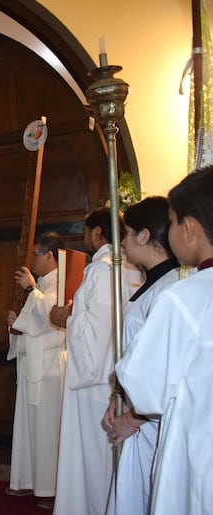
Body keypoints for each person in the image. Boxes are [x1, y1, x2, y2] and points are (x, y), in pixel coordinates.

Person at [116, 167, 213, 514]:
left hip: (197, 448)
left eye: (171, 222)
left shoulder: (185, 297)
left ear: (189, 228)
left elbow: (146, 389)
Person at [48, 208, 135, 515]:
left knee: (94, 455)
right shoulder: (126, 268)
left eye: (86, 232)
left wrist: (66, 316)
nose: (85, 238)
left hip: (95, 379)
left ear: (98, 232)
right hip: (109, 372)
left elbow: (99, 328)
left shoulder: (102, 270)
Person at [99, 197, 180, 515]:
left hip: (149, 421)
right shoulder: (153, 282)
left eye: (127, 233)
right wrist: (117, 397)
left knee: (146, 495)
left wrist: (132, 418)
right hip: (135, 412)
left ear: (145, 236)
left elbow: (164, 369)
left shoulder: (169, 289)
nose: (122, 244)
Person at [5, 232, 67, 510]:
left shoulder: (63, 283)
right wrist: (15, 325)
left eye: (36, 254)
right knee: (29, 427)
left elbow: (52, 316)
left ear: (51, 256)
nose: (32, 260)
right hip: (33, 364)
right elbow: (32, 322)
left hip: (50, 366)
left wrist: (31, 290)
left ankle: (51, 488)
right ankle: (28, 480)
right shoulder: (43, 284)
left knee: (47, 429)